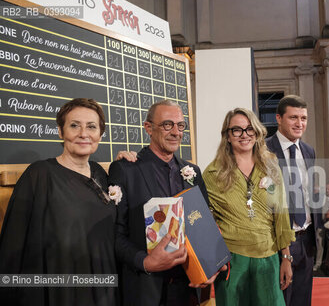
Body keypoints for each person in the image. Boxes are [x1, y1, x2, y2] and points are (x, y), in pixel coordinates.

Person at [0, 98, 118, 306]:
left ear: (100, 134)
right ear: (60, 132)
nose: (83, 133)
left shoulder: (100, 173)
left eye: (91, 127)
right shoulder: (39, 175)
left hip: (104, 287)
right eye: (74, 125)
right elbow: (12, 247)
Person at [109, 100, 216, 306]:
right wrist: (145, 262)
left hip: (188, 287)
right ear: (148, 127)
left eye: (180, 125)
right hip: (145, 287)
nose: (176, 132)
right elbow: (115, 234)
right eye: (168, 124)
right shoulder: (125, 169)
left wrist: (208, 266)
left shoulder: (192, 172)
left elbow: (203, 226)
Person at [202, 108, 294, 306]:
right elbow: (204, 222)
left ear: (257, 132)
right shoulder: (212, 173)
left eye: (249, 129)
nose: (244, 135)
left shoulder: (271, 167)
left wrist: (285, 257)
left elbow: (282, 214)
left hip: (268, 257)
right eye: (237, 130)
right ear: (227, 136)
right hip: (231, 261)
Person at [265, 95, 319, 306]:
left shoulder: (308, 151)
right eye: (293, 117)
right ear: (279, 118)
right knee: (280, 299)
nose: (300, 123)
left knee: (302, 300)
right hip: (280, 242)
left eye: (304, 118)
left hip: (307, 239)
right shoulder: (264, 150)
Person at [313, 183, 329, 272]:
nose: (327, 190)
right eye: (326, 189)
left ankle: (328, 264)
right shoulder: (319, 199)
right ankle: (318, 263)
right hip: (319, 225)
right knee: (320, 246)